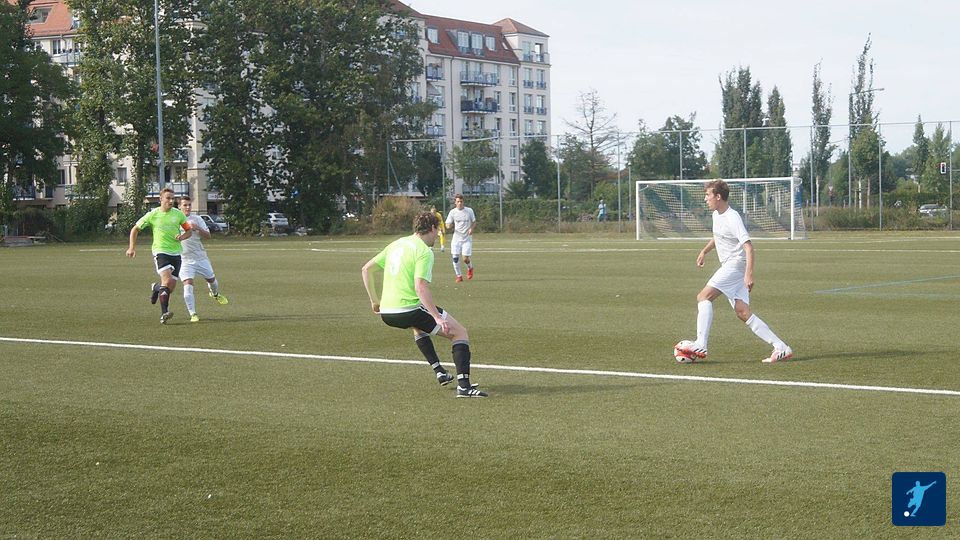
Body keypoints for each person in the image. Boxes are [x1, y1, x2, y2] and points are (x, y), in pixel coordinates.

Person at [361, 211, 487, 398]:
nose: (438, 235)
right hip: (408, 309)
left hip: (387, 313)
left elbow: (366, 269)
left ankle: (439, 371)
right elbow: (420, 287)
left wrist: (374, 301)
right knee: (460, 333)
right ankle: (464, 387)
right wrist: (437, 317)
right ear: (432, 228)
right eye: (438, 231)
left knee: (419, 326)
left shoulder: (396, 244)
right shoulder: (424, 251)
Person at [677, 180, 793, 363]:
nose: (705, 199)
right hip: (732, 266)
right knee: (742, 311)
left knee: (703, 297)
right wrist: (704, 251)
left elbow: (748, 247)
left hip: (736, 265)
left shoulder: (733, 217)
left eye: (708, 195)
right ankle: (781, 347)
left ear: (718, 196)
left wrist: (748, 274)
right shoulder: (716, 215)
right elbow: (718, 236)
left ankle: (701, 343)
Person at [126, 187, 193, 324]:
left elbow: (189, 231)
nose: (171, 201)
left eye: (173, 198)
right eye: (168, 198)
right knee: (167, 281)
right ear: (161, 199)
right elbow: (135, 229)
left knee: (170, 288)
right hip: (161, 252)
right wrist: (131, 247)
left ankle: (156, 288)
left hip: (176, 253)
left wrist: (182, 237)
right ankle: (164, 313)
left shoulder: (178, 214)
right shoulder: (153, 214)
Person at [177, 196, 229, 322]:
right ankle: (193, 314)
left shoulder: (197, 219)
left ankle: (215, 294)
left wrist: (197, 228)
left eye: (189, 205)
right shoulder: (175, 220)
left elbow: (208, 236)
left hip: (200, 257)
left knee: (212, 281)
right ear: (179, 206)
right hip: (184, 259)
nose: (187, 207)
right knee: (188, 285)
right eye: (185, 205)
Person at [444, 194, 476, 283]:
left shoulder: (469, 211)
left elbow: (474, 222)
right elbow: (447, 224)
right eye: (458, 201)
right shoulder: (452, 212)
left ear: (463, 202)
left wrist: (471, 229)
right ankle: (459, 276)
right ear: (455, 202)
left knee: (465, 259)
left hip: (467, 238)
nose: (459, 203)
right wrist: (448, 226)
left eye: (461, 201)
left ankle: (470, 268)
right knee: (455, 258)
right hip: (456, 238)